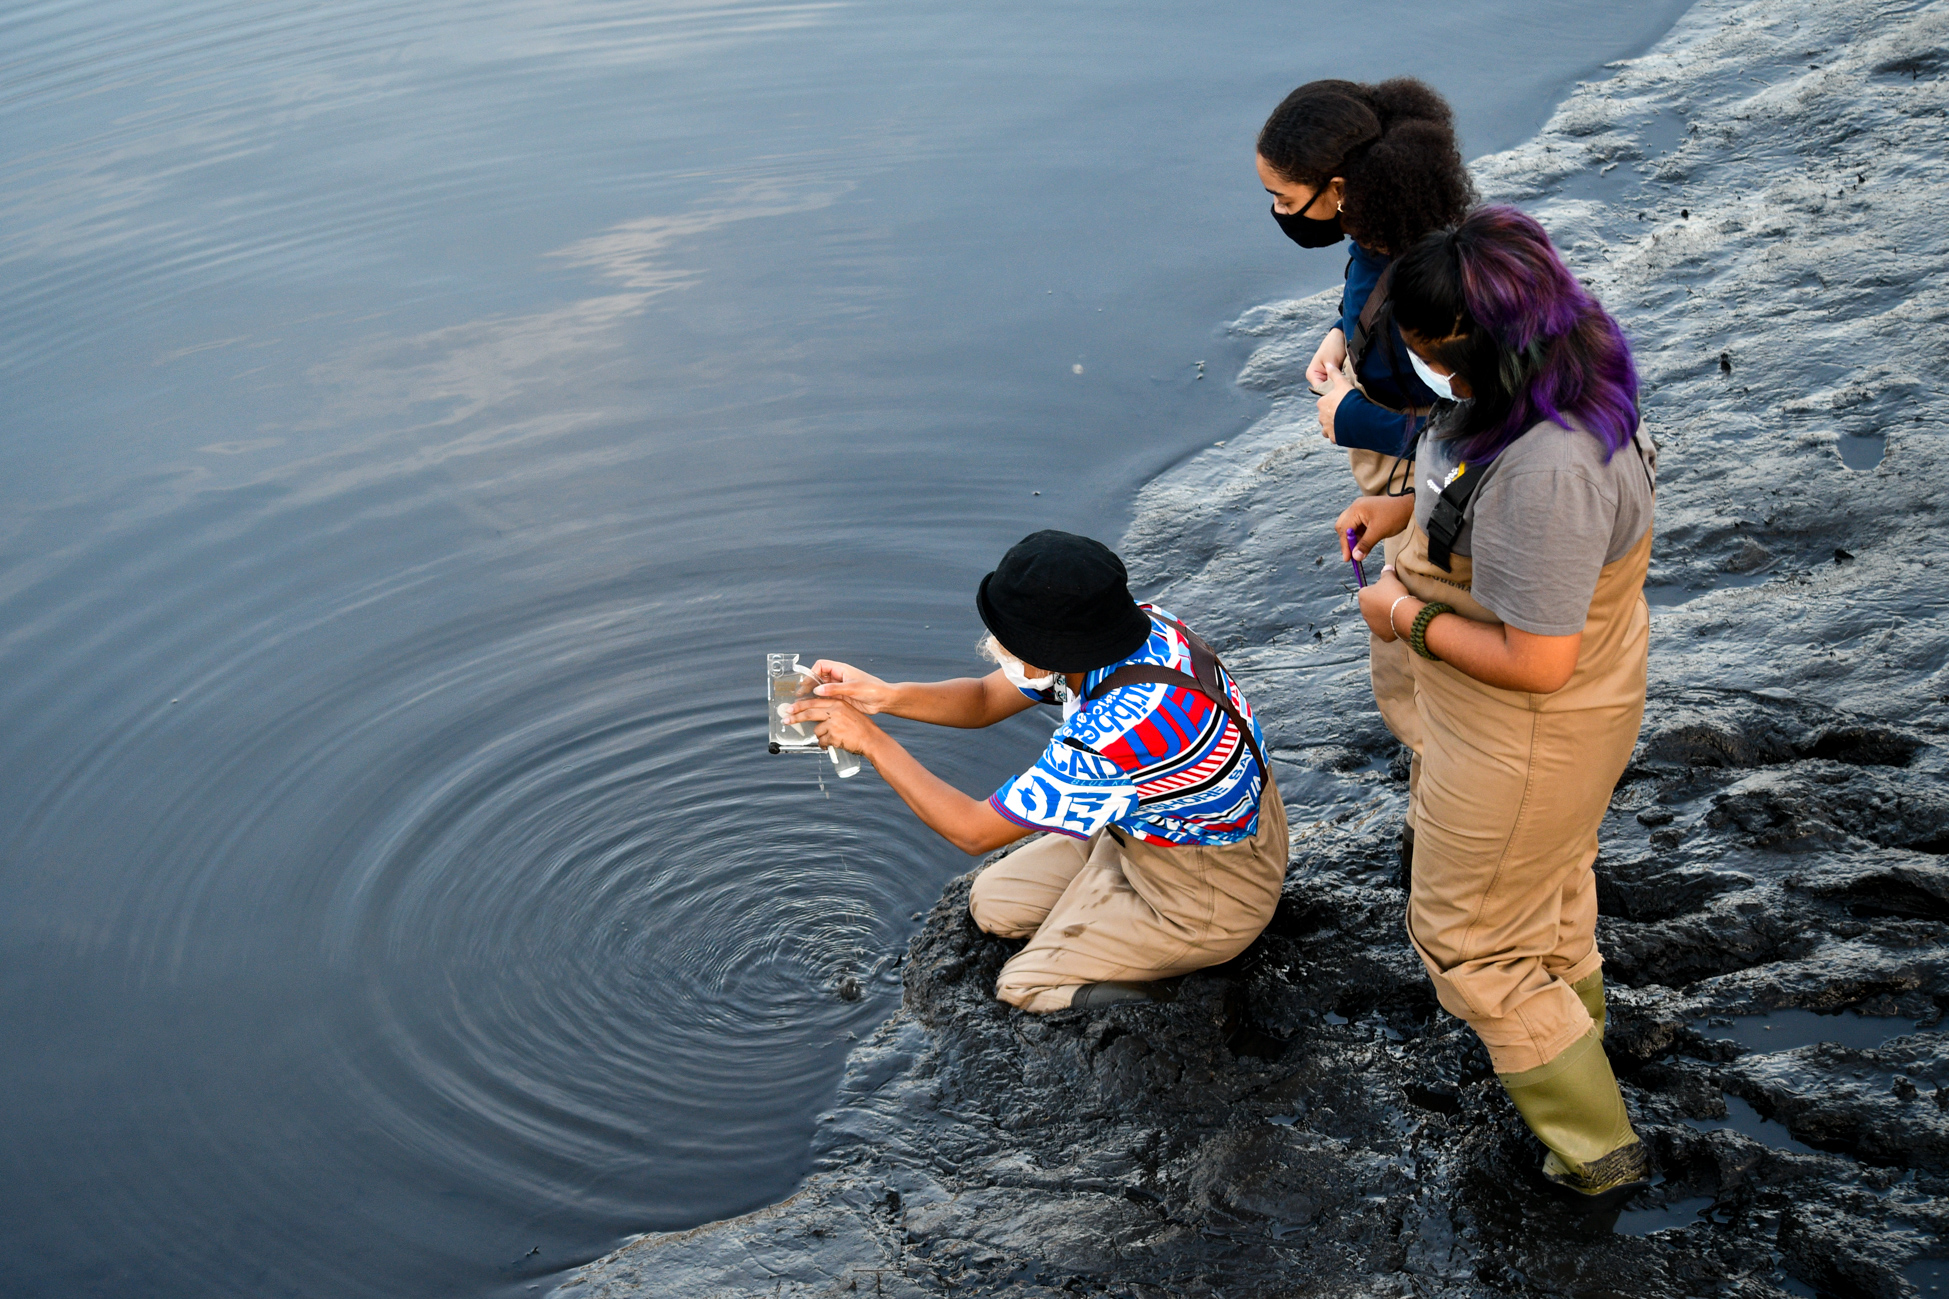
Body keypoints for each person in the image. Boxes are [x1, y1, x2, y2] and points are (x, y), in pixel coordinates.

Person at [1333, 206, 1656, 1209]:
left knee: (1467, 939)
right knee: (1548, 889)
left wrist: (1400, 615)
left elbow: (1539, 660)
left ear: (1467, 349)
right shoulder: (1554, 366)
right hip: (1527, 728)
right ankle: (1569, 1038)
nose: (1416, 373)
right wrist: (1405, 511)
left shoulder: (1549, 470)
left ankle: (1593, 1151)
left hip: (1527, 730)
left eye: (1425, 355)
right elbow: (1470, 478)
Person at [786, 530, 1287, 1013]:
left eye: (1006, 638)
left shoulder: (1116, 733)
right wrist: (887, 697)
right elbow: (984, 700)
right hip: (1160, 830)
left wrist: (871, 742)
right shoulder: (1131, 630)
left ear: (1050, 650)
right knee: (993, 903)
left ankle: (1191, 997)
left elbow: (973, 830)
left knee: (1023, 986)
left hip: (1211, 888)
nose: (995, 645)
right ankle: (1107, 915)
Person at [1256, 78, 1475, 861]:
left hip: (1425, 482)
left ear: (1339, 189)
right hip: (1410, 480)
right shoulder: (1399, 228)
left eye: (1284, 198)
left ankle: (1442, 824)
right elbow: (1374, 301)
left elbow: (1476, 423)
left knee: (1412, 669)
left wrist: (1349, 415)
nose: (1278, 214)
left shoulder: (1422, 273)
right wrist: (1342, 333)